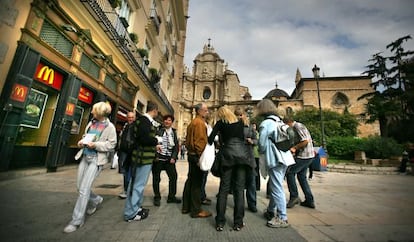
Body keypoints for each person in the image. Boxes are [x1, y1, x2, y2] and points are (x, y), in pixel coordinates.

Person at [63, 102, 117, 233]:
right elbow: (86, 136)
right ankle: (96, 200)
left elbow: (111, 144)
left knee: (83, 190)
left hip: (96, 160)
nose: (92, 112)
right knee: (79, 187)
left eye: (93, 110)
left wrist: (96, 145)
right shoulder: (92, 123)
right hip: (85, 157)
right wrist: (82, 141)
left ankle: (76, 221)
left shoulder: (110, 127)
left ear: (99, 113)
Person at [208, 106, 256, 232]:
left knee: (223, 190)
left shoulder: (220, 123)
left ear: (221, 115)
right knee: (239, 190)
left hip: (227, 156)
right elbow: (241, 139)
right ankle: (238, 223)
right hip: (241, 156)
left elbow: (210, 139)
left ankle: (220, 222)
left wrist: (220, 141)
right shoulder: (240, 123)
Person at [256, 99, 295, 228]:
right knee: (274, 185)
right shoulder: (279, 121)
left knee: (277, 187)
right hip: (285, 157)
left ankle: (282, 217)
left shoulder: (266, 123)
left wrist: (261, 151)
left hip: (275, 159)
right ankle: (270, 211)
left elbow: (261, 144)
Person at [123, 102, 161, 222]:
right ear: (154, 110)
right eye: (157, 111)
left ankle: (136, 208)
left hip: (143, 157)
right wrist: (156, 140)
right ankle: (131, 213)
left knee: (137, 184)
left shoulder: (143, 120)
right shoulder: (145, 121)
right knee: (137, 185)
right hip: (142, 159)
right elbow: (144, 139)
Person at [182, 103, 212, 219]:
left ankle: (186, 206)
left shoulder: (192, 122)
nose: (207, 112)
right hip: (196, 156)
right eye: (205, 110)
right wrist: (201, 157)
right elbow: (199, 143)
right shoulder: (199, 123)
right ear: (199, 111)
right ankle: (196, 210)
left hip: (191, 155)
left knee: (190, 181)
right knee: (197, 184)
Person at [283, 116, 316, 209]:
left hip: (304, 156)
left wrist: (294, 148)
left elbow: (305, 141)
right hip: (308, 156)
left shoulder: (297, 126)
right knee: (302, 177)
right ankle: (309, 200)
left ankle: (294, 197)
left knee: (290, 173)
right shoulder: (298, 126)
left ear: (288, 123)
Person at [152, 114, 181, 206]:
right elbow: (154, 143)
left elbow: (176, 147)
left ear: (172, 122)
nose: (167, 122)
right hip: (158, 159)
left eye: (169, 120)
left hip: (169, 160)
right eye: (165, 120)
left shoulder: (173, 133)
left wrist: (173, 157)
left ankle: (171, 196)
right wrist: (155, 155)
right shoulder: (158, 131)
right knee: (156, 178)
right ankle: (157, 197)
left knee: (173, 177)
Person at [234, 107, 258, 213]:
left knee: (251, 182)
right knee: (239, 182)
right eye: (237, 115)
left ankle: (252, 204)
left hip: (249, 157)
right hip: (238, 158)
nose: (239, 117)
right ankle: (239, 204)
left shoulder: (250, 128)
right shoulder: (233, 128)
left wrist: (252, 141)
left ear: (243, 116)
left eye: (240, 115)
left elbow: (256, 140)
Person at [118, 111, 136, 199]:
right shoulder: (125, 126)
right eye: (129, 117)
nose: (131, 119)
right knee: (125, 171)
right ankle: (126, 189)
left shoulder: (135, 127)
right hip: (124, 151)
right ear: (127, 118)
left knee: (132, 172)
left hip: (132, 152)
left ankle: (130, 189)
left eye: (132, 117)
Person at [200, 112, 213, 206]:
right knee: (202, 177)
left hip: (207, 155)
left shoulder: (208, 126)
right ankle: (201, 197)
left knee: (204, 177)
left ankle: (202, 195)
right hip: (204, 155)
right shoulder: (204, 126)